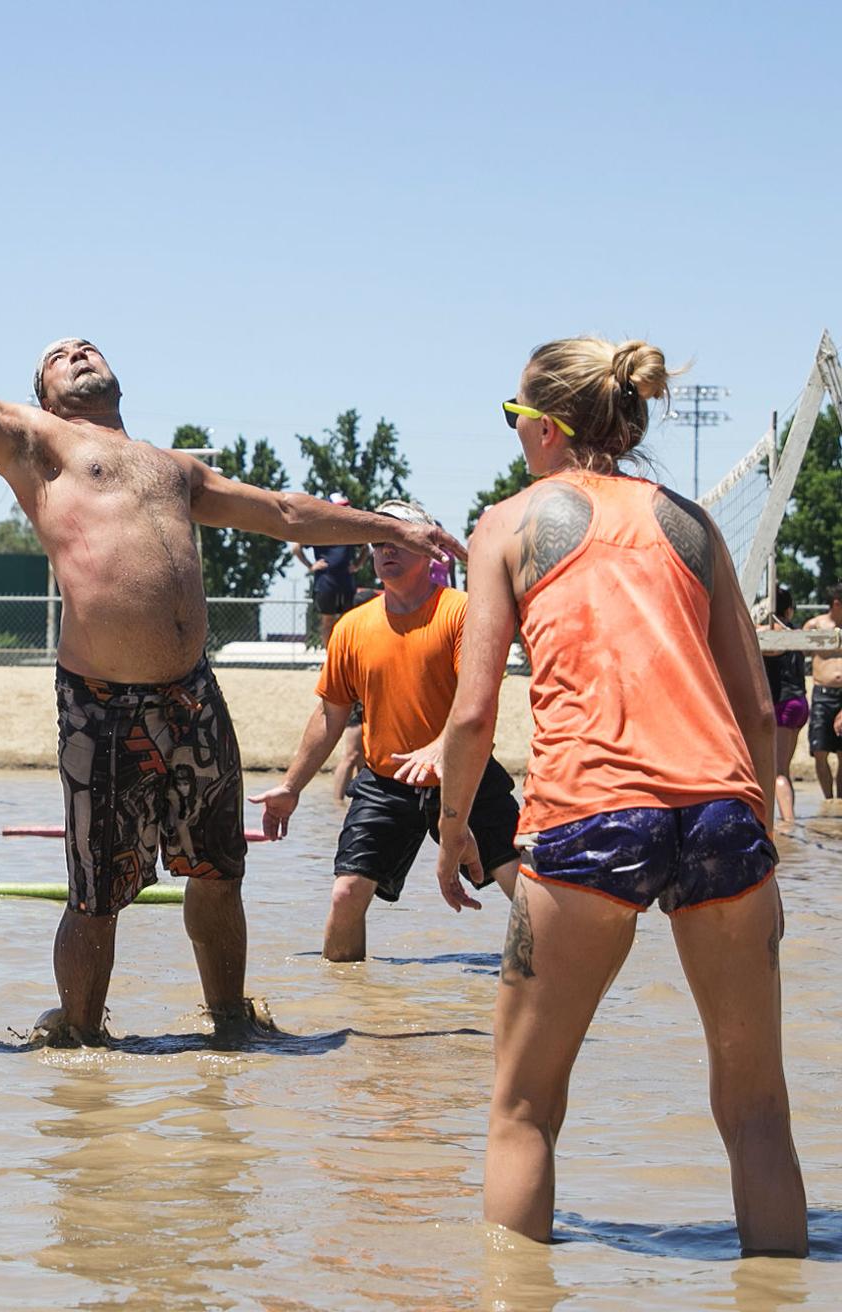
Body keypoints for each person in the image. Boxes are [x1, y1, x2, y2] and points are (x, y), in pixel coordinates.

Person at [0, 274, 464, 1047]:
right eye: (58, 355)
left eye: (87, 346)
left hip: (193, 696)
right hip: (100, 702)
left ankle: (233, 1022)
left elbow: (279, 512)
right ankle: (79, 1036)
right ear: (42, 393)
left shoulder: (173, 468)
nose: (77, 353)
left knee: (218, 873)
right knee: (96, 892)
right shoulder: (34, 443)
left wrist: (396, 528)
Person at [432, 337, 807, 1257]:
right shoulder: (692, 524)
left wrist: (450, 837)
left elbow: (474, 713)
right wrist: (753, 831)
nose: (516, 436)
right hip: (720, 811)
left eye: (517, 419)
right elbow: (757, 706)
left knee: (522, 1108)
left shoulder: (507, 525)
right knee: (758, 1110)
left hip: (587, 811)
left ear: (551, 427)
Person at [251, 500, 519, 962]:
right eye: (378, 542)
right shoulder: (352, 627)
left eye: (398, 539)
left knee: (527, 885)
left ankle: (557, 987)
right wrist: (291, 786)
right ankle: (348, 1005)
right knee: (346, 895)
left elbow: (479, 700)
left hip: (465, 773)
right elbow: (330, 714)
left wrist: (441, 747)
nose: (385, 550)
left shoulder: (462, 612)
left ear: (429, 548)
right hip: (385, 782)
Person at [754, 587, 808, 821]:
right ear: (788, 609)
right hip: (799, 702)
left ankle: (788, 825)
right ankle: (788, 818)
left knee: (777, 772)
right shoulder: (796, 631)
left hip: (783, 704)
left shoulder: (768, 633)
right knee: (784, 768)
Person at [330, 585, 381, 803]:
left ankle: (359, 800)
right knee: (351, 755)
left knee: (364, 757)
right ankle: (337, 803)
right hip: (355, 703)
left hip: (370, 703)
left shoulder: (370, 630)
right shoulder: (352, 631)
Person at [292, 493, 360, 644]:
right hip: (326, 581)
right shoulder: (319, 529)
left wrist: (357, 565)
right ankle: (330, 657)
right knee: (327, 621)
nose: (344, 510)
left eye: (345, 506)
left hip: (346, 581)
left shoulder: (351, 529)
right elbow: (296, 548)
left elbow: (367, 549)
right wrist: (311, 566)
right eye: (340, 507)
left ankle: (345, 659)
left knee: (348, 621)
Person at [804, 583, 842, 798]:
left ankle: (840, 801)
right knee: (820, 751)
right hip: (822, 693)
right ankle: (828, 799)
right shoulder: (815, 625)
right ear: (836, 604)